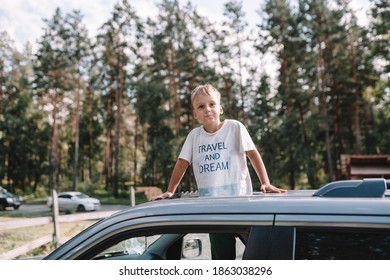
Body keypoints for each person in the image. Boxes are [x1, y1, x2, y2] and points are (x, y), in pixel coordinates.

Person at [153, 84, 286, 259]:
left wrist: (265, 182)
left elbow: (253, 155)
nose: (207, 109)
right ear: (195, 114)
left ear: (220, 108)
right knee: (222, 260)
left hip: (242, 206)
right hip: (214, 211)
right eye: (201, 106)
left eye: (212, 104)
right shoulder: (194, 136)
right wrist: (170, 190)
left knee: (263, 254)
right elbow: (181, 164)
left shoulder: (234, 127)